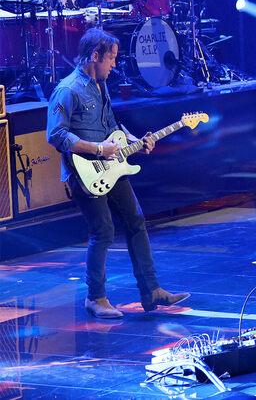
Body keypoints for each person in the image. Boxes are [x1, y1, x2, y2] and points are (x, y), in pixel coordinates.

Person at [46, 28, 189, 319]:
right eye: (110, 58)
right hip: (83, 174)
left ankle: (152, 291)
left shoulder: (102, 86)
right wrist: (98, 149)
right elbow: (56, 134)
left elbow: (114, 127)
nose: (114, 65)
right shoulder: (67, 89)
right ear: (94, 56)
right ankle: (95, 297)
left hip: (113, 169)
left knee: (136, 221)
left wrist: (137, 141)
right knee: (103, 232)